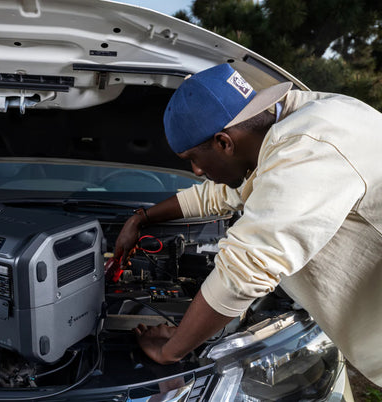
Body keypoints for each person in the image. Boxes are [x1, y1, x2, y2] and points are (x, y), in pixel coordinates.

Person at [114, 63, 382, 386]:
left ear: (225, 142)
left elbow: (243, 272)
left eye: (193, 160)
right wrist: (141, 218)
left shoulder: (309, 148)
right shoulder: (285, 126)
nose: (197, 171)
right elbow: (218, 195)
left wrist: (171, 350)